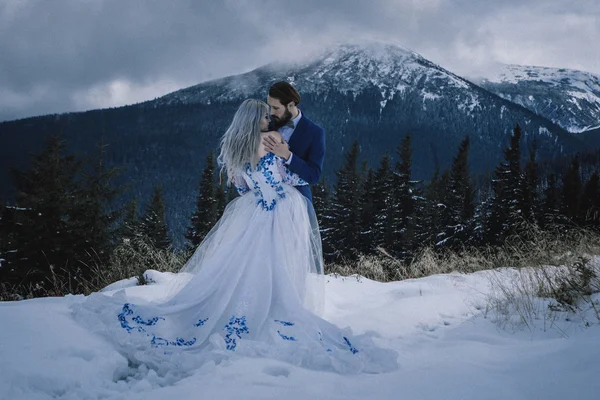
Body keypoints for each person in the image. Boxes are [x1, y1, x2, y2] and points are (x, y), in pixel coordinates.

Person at [71, 99, 397, 375]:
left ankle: (243, 308)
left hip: (250, 213)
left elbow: (243, 187)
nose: (271, 119)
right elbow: (293, 177)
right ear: (257, 121)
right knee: (273, 268)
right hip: (276, 213)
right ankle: (264, 311)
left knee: (244, 268)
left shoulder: (238, 151)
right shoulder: (268, 145)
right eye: (266, 117)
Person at [262, 81, 325, 202]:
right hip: (266, 200)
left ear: (290, 105)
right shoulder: (266, 124)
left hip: (298, 202)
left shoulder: (315, 132)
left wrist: (288, 155)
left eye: (276, 108)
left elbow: (314, 175)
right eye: (270, 106)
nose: (271, 112)